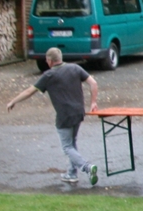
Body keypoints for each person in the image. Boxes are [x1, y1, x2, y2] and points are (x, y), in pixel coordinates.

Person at [6, 46, 99, 186]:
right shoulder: (75, 68)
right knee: (72, 143)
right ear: (60, 58)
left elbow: (29, 92)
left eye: (46, 60)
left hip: (64, 115)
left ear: (49, 60)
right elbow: (93, 83)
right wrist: (93, 102)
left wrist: (13, 101)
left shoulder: (49, 75)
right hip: (79, 112)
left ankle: (87, 167)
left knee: (67, 147)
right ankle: (72, 174)